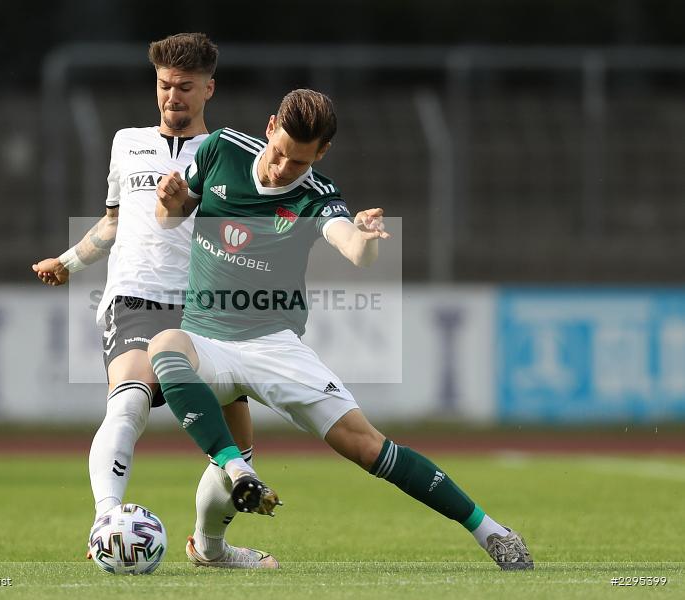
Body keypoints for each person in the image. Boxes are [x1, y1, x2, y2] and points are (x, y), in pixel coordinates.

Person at [148, 88, 534, 570]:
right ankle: (231, 477)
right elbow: (171, 217)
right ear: (270, 127)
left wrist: (367, 239)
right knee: (164, 346)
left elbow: (352, 246)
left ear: (322, 153)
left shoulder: (317, 196)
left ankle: (491, 532)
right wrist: (170, 202)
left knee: (368, 446)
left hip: (273, 346)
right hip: (208, 340)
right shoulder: (221, 148)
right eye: (280, 152)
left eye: (298, 162)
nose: (282, 168)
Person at [32, 32, 277, 569]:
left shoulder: (230, 154)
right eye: (165, 85)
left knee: (237, 447)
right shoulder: (127, 142)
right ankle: (106, 520)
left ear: (209, 89)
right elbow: (113, 223)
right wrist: (68, 262)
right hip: (137, 296)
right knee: (129, 400)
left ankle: (210, 548)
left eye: (185, 87)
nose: (173, 96)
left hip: (208, 308)